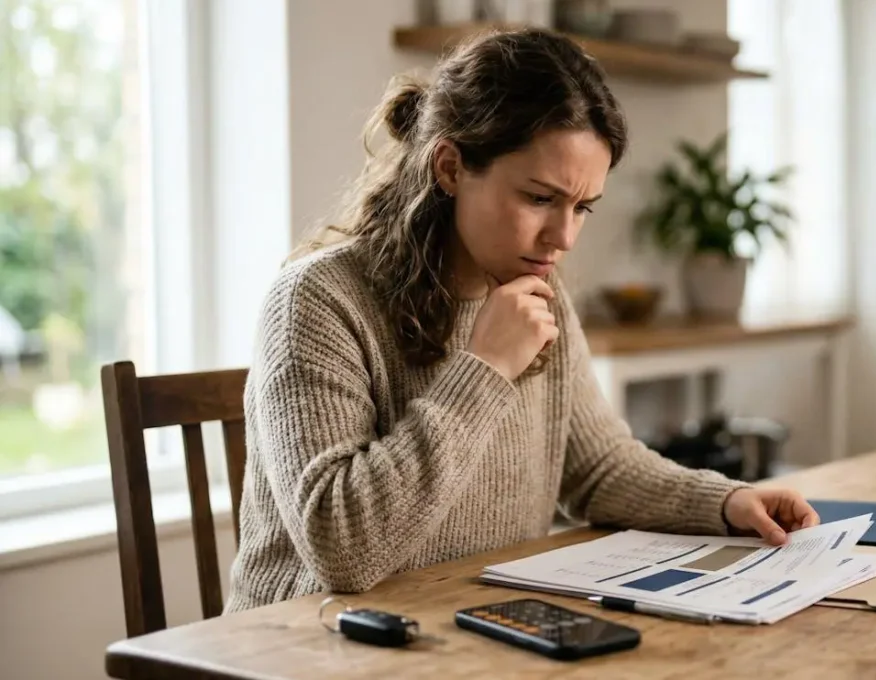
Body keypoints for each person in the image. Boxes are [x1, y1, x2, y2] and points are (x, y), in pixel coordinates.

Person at [224, 28, 819, 613]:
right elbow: (343, 550)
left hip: (468, 632)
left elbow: (600, 467)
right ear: (451, 167)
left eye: (581, 206)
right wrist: (483, 368)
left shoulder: (540, 293)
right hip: (310, 648)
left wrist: (726, 502)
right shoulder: (316, 299)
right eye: (539, 198)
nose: (563, 236)